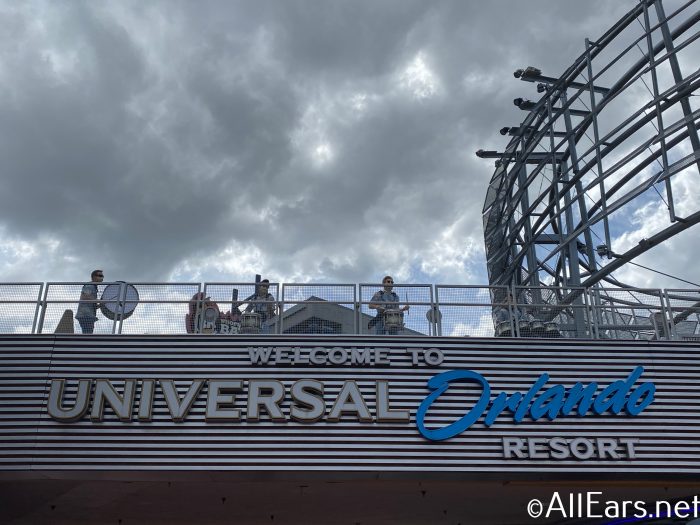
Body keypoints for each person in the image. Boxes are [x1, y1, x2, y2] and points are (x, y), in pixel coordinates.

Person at [75, 269, 103, 334]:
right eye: (100, 275)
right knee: (87, 335)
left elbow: (92, 304)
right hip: (85, 315)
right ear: (94, 277)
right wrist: (100, 301)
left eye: (102, 276)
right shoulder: (90, 286)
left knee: (88, 334)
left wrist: (101, 304)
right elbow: (85, 297)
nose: (102, 278)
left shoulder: (93, 287)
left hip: (88, 315)